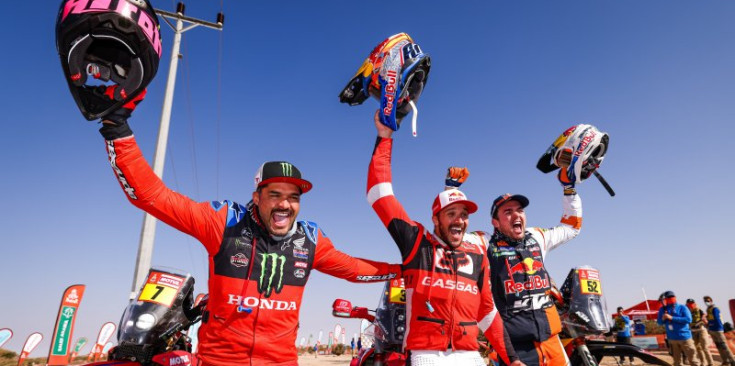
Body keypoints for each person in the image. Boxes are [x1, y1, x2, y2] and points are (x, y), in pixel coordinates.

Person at [96, 91, 401, 366]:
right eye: (275, 195)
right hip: (218, 361)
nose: (285, 205)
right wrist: (117, 129)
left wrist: (404, 270)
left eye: (294, 197)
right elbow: (152, 197)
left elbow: (352, 268)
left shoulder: (309, 239)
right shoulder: (223, 221)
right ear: (256, 197)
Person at [367, 112, 522, 366]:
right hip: (427, 356)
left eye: (464, 214)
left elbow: (486, 311)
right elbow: (379, 194)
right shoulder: (416, 242)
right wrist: (384, 137)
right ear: (436, 219)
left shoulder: (476, 253)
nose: (460, 220)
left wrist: (513, 359)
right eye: (452, 214)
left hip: (471, 355)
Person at [484, 169, 582, 366]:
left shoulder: (536, 236)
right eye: (508, 212)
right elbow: (452, 241)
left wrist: (569, 189)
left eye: (520, 210)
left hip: (551, 340)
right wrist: (450, 190)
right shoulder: (485, 244)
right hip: (514, 348)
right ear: (495, 222)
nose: (516, 215)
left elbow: (572, 227)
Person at [658, 291, 700, 366]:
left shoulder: (682, 307)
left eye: (672, 297)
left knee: (693, 360)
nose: (671, 299)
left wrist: (672, 318)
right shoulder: (663, 309)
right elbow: (659, 322)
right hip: (672, 339)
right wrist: (663, 318)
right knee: (677, 362)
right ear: (665, 299)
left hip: (685, 337)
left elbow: (688, 319)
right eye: (669, 298)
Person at [703, 296, 735, 366]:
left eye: (708, 300)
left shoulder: (715, 309)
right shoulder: (708, 309)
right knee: (718, 346)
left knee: (724, 346)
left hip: (718, 330)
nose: (707, 302)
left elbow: (717, 320)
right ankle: (725, 361)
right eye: (705, 301)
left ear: (711, 300)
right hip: (712, 330)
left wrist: (713, 325)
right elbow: (709, 319)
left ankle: (732, 361)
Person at [687, 299, 714, 366]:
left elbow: (704, 315)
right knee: (697, 348)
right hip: (693, 331)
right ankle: (703, 362)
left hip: (701, 330)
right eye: (689, 303)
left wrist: (704, 318)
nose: (691, 305)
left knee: (705, 347)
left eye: (692, 303)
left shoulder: (699, 309)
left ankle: (711, 363)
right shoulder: (687, 311)